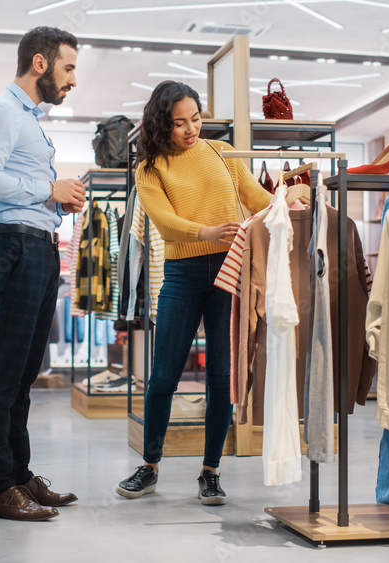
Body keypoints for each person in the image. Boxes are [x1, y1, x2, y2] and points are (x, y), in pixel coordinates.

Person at [116, 81, 273, 504]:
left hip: (230, 270)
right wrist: (205, 231)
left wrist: (291, 200)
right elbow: (165, 223)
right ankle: (149, 466)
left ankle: (211, 471)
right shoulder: (150, 168)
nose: (190, 130)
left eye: (196, 119)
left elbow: (256, 197)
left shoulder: (222, 153)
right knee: (163, 375)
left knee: (221, 377)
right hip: (181, 274)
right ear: (161, 124)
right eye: (179, 123)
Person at [0, 26, 86, 522]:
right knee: (3, 375)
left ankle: (18, 475)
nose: (72, 80)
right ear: (40, 64)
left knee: (22, 377)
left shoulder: (29, 119)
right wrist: (48, 189)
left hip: (36, 246)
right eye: (68, 68)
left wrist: (58, 195)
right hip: (13, 246)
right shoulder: (1, 112)